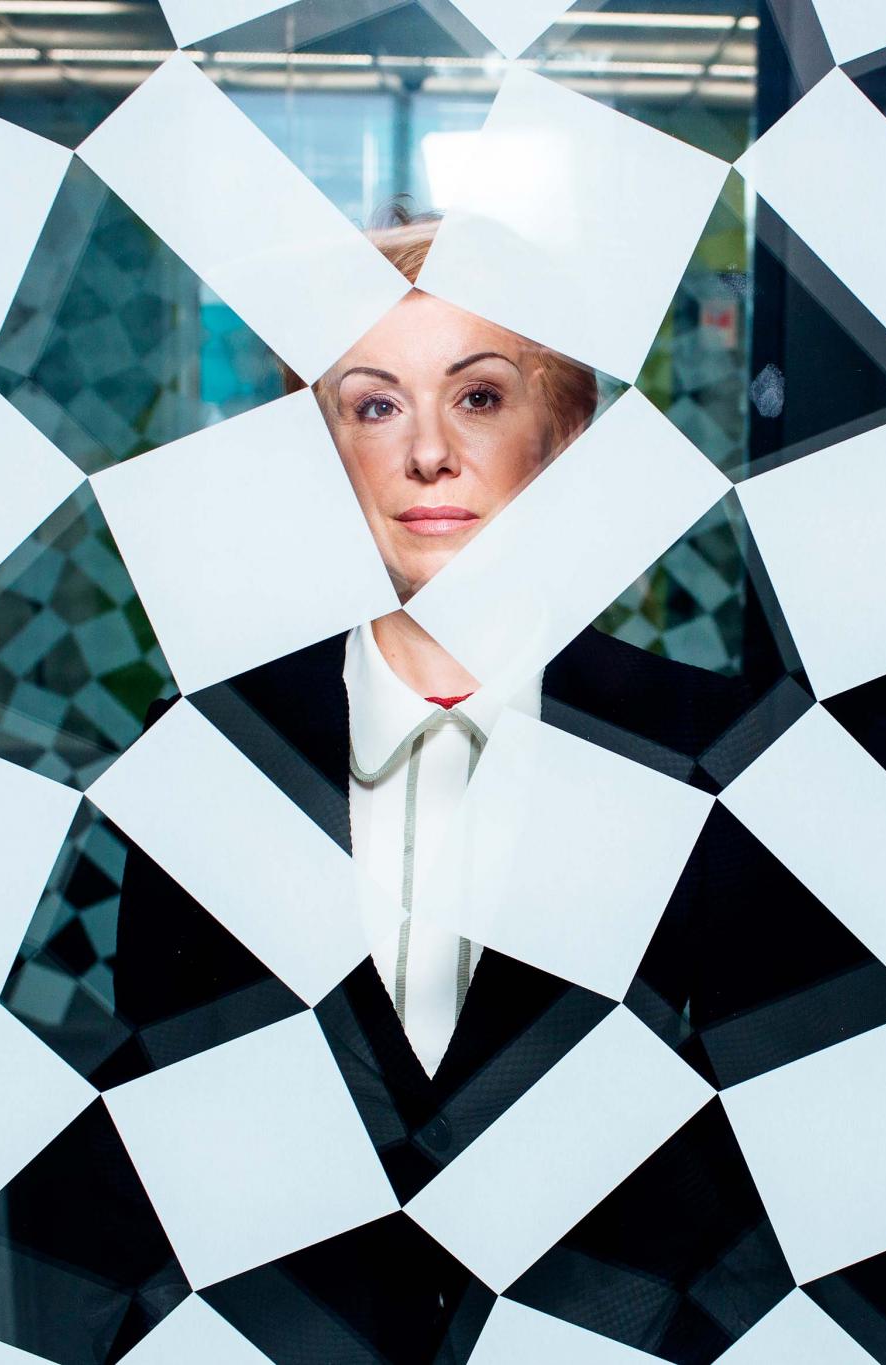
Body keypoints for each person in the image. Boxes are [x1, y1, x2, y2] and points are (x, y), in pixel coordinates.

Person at [110, 206, 803, 1361]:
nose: (427, 452)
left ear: (563, 433)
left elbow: (780, 1157)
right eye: (373, 406)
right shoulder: (208, 749)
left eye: (478, 396)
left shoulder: (719, 753)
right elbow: (166, 1128)